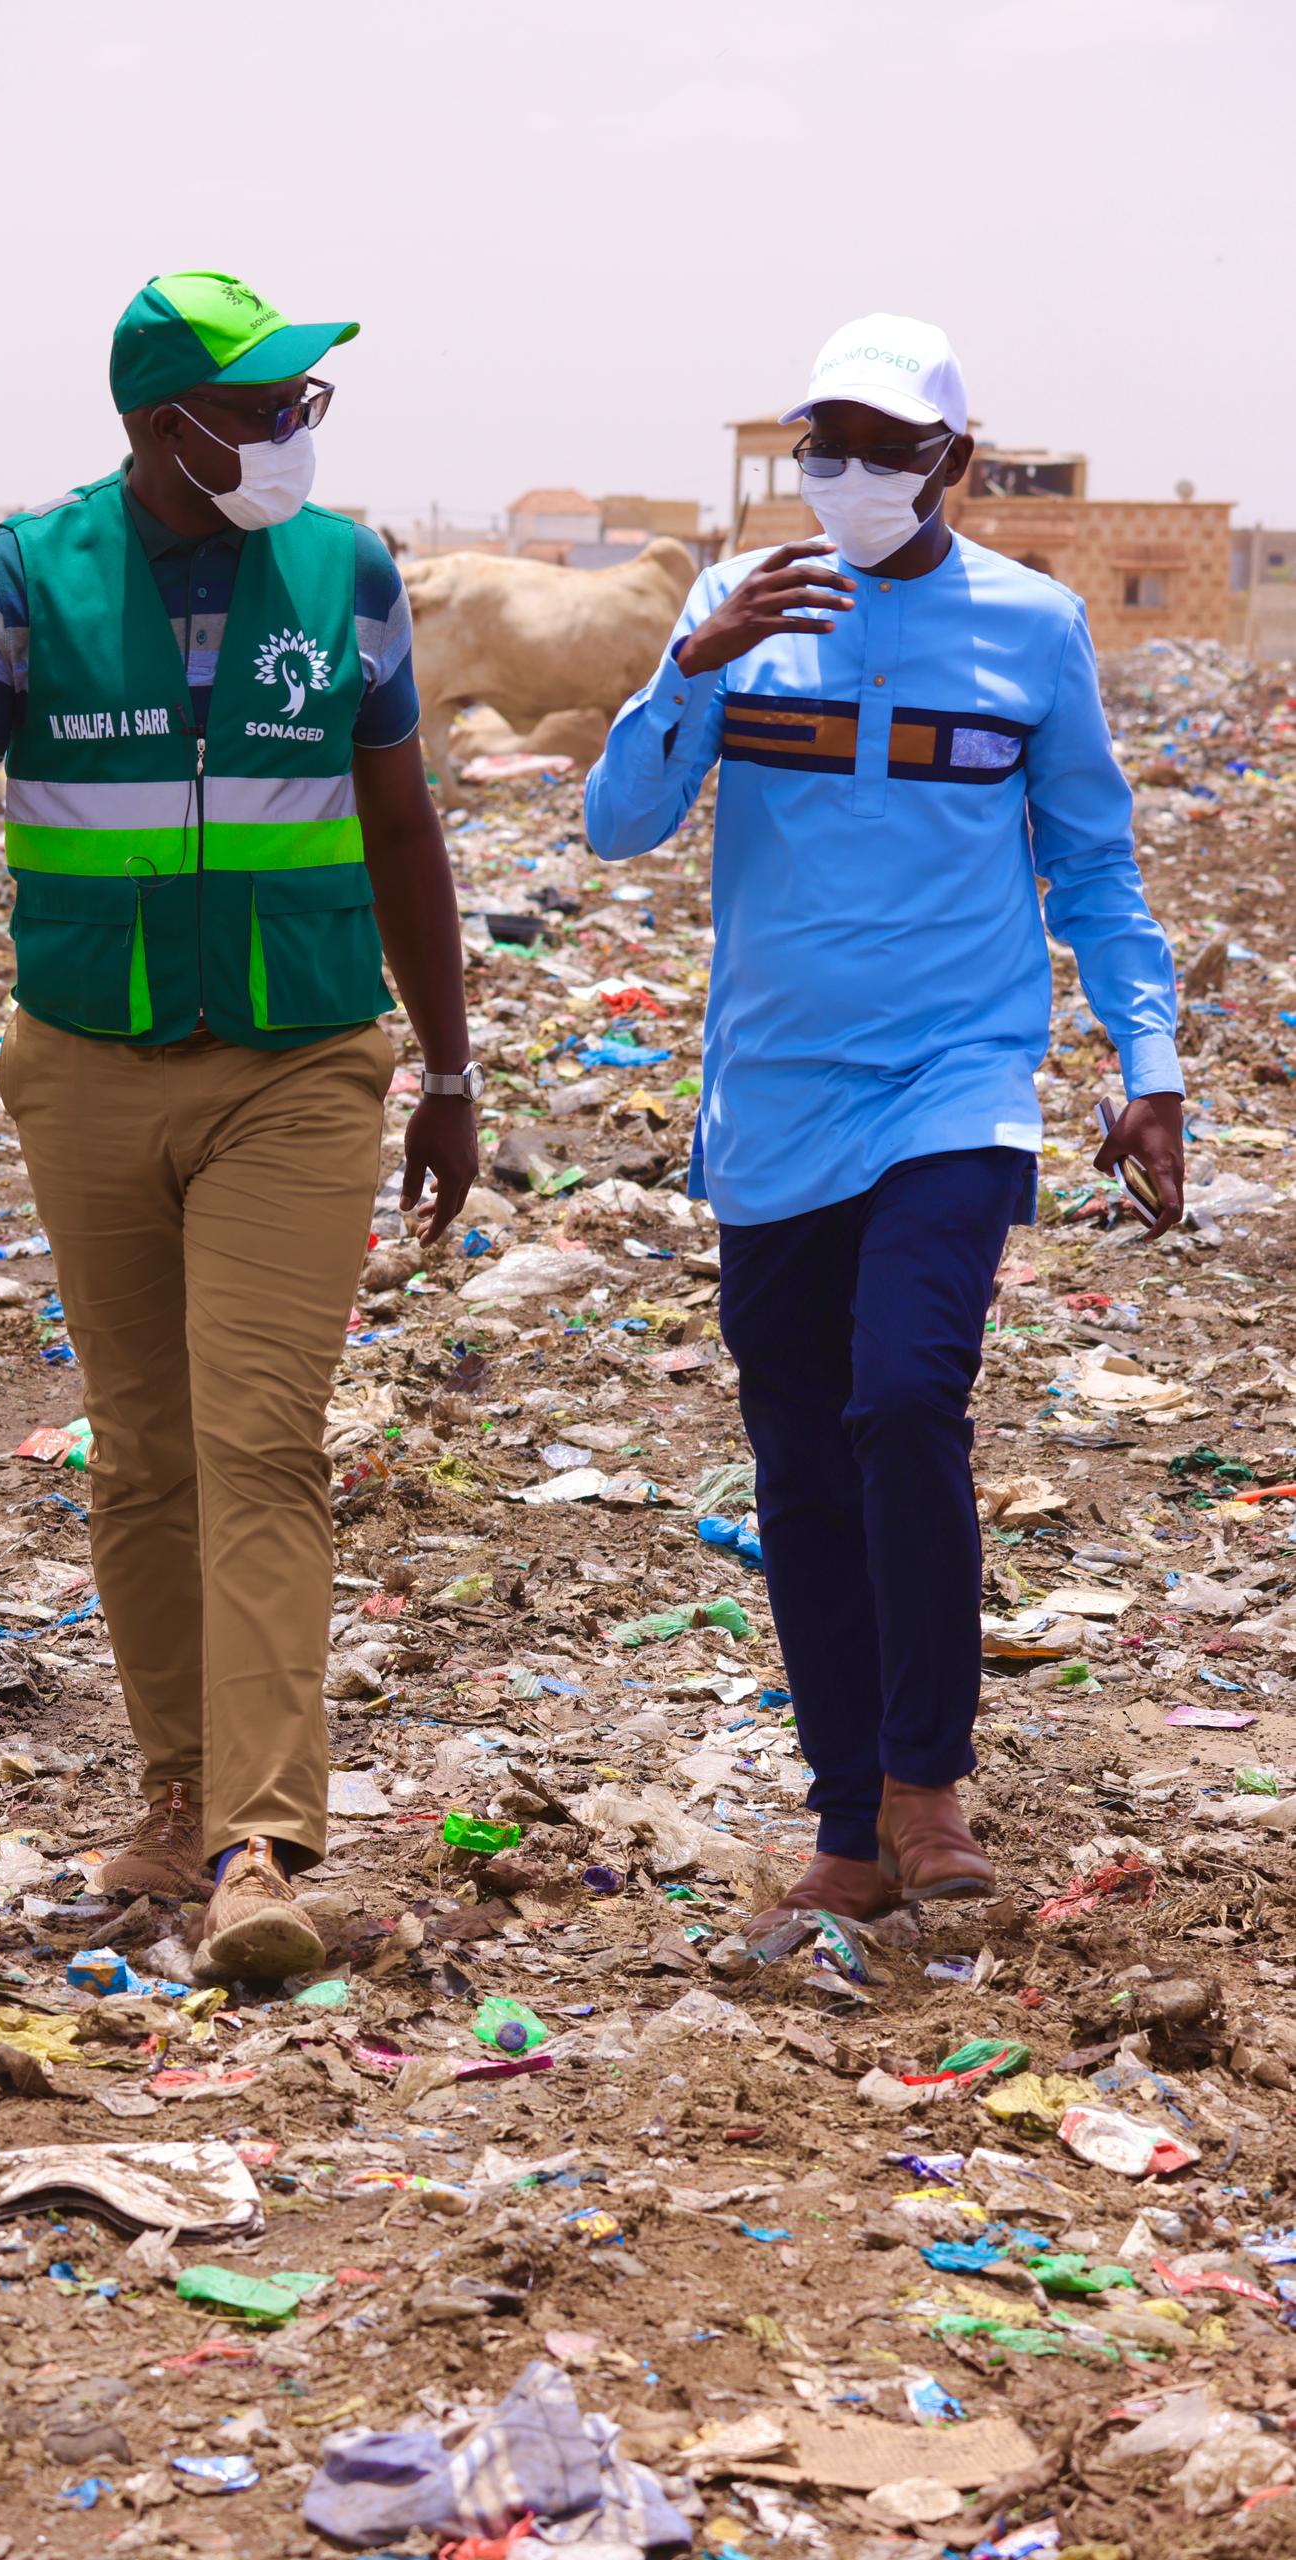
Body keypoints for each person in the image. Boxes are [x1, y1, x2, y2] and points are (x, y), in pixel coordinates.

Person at [0, 270, 480, 1980]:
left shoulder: (346, 573)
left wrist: (449, 1070)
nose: (294, 432)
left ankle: (263, 1844)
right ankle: (172, 1791)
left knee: (261, 1438)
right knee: (141, 1452)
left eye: (304, 405)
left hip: (300, 1069)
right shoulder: (27, 577)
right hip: (88, 1064)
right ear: (161, 426)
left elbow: (403, 825)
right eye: (265, 406)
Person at [585, 313, 1184, 1925]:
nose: (844, 479)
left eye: (881, 450)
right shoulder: (735, 611)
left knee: (906, 1397)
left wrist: (1150, 1060)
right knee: (797, 1456)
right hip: (775, 1092)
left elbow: (1096, 867)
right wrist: (692, 669)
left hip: (956, 1078)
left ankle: (929, 1783)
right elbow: (618, 824)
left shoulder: (1035, 627)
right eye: (820, 450)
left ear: (954, 466)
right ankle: (846, 1821)